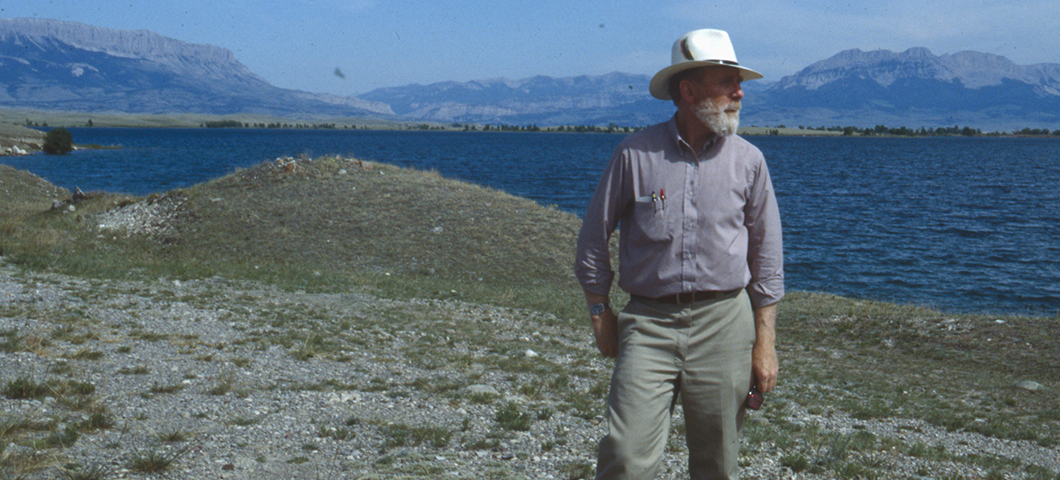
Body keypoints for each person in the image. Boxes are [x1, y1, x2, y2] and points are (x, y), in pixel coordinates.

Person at [574, 28, 784, 479]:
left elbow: (767, 258)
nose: (739, 92)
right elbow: (593, 238)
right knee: (625, 457)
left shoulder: (749, 161)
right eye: (727, 81)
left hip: (725, 325)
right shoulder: (635, 154)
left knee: (717, 465)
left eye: (738, 82)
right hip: (647, 324)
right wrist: (599, 313)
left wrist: (764, 344)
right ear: (688, 91)